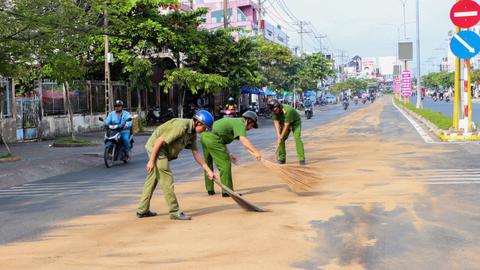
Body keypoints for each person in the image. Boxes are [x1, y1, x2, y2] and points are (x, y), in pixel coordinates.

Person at [136, 111, 216, 221]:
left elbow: (196, 153)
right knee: (167, 179)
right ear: (197, 123)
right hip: (157, 150)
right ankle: (174, 211)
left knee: (152, 179)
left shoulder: (192, 133)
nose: (205, 130)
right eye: (204, 127)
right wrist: (151, 161)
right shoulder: (181, 126)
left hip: (161, 151)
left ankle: (142, 210)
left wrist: (208, 171)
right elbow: (159, 141)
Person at [201, 111, 262, 197]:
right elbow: (243, 140)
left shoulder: (235, 122)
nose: (251, 128)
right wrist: (256, 152)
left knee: (208, 163)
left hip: (205, 136)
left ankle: (210, 189)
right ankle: (227, 191)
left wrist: (229, 154)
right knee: (225, 164)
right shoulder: (240, 123)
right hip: (212, 139)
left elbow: (221, 139)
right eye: (252, 125)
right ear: (248, 120)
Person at [268, 99, 305, 165]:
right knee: (281, 140)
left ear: (279, 106)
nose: (275, 112)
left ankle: (301, 159)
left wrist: (281, 136)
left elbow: (287, 125)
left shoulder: (288, 110)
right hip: (283, 122)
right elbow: (276, 122)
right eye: (273, 111)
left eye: (276, 110)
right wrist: (279, 136)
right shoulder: (273, 111)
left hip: (295, 122)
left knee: (297, 138)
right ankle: (282, 158)